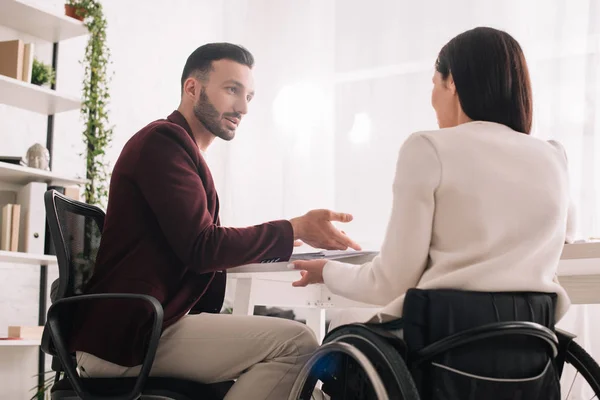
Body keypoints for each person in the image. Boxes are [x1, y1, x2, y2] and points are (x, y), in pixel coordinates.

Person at [70, 43, 360, 399]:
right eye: (232, 90)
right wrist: (292, 228)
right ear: (192, 88)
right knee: (296, 343)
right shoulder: (164, 142)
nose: (243, 107)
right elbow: (202, 246)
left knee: (296, 378)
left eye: (249, 95)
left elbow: (201, 242)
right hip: (128, 337)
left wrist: (278, 241)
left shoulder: (181, 150)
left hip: (144, 328)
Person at [292, 27, 577, 330]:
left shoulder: (428, 148)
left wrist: (327, 271)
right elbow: (566, 235)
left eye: (434, 84)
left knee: (340, 342)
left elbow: (390, 282)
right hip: (530, 347)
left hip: (444, 342)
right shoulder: (553, 155)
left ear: (452, 81)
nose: (432, 99)